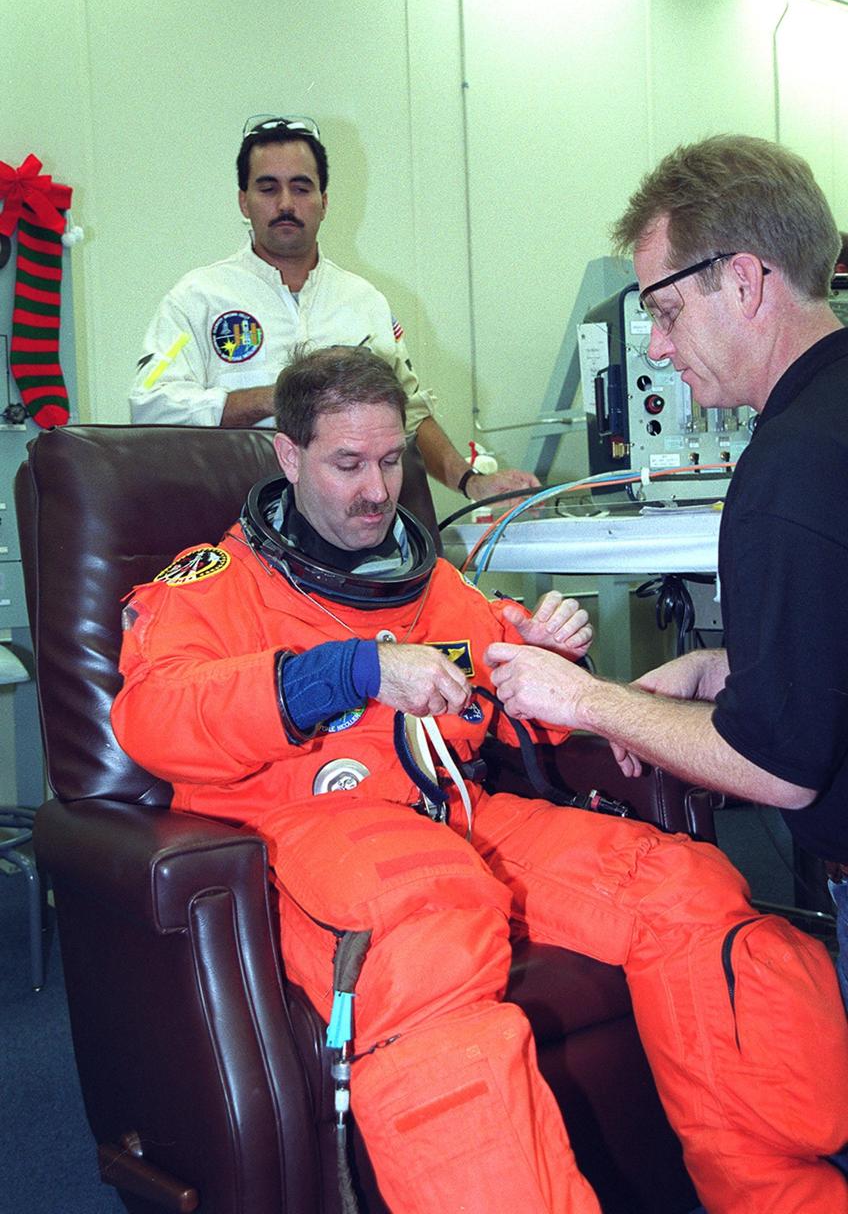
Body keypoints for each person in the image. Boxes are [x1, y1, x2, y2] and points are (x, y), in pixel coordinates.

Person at [112, 344, 848, 1214]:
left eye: (390, 461)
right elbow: (155, 717)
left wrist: (552, 662)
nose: (378, 490)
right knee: (436, 916)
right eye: (347, 464)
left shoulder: (431, 587)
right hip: (299, 828)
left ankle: (784, 1197)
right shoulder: (211, 588)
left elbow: (501, 704)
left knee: (684, 889)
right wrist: (348, 672)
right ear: (288, 454)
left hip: (453, 812)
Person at [487, 133, 848, 1016]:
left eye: (667, 311)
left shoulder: (788, 471)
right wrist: (722, 667)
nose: (655, 348)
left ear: (747, 281)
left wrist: (585, 701)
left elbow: (778, 768)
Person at [129, 114, 537, 504]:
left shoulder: (363, 303)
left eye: (302, 188)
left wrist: (471, 482)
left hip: (350, 529)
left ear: (324, 201)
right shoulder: (196, 299)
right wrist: (272, 398)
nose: (286, 203)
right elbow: (149, 404)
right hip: (233, 520)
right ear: (243, 201)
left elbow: (410, 412)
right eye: (268, 188)